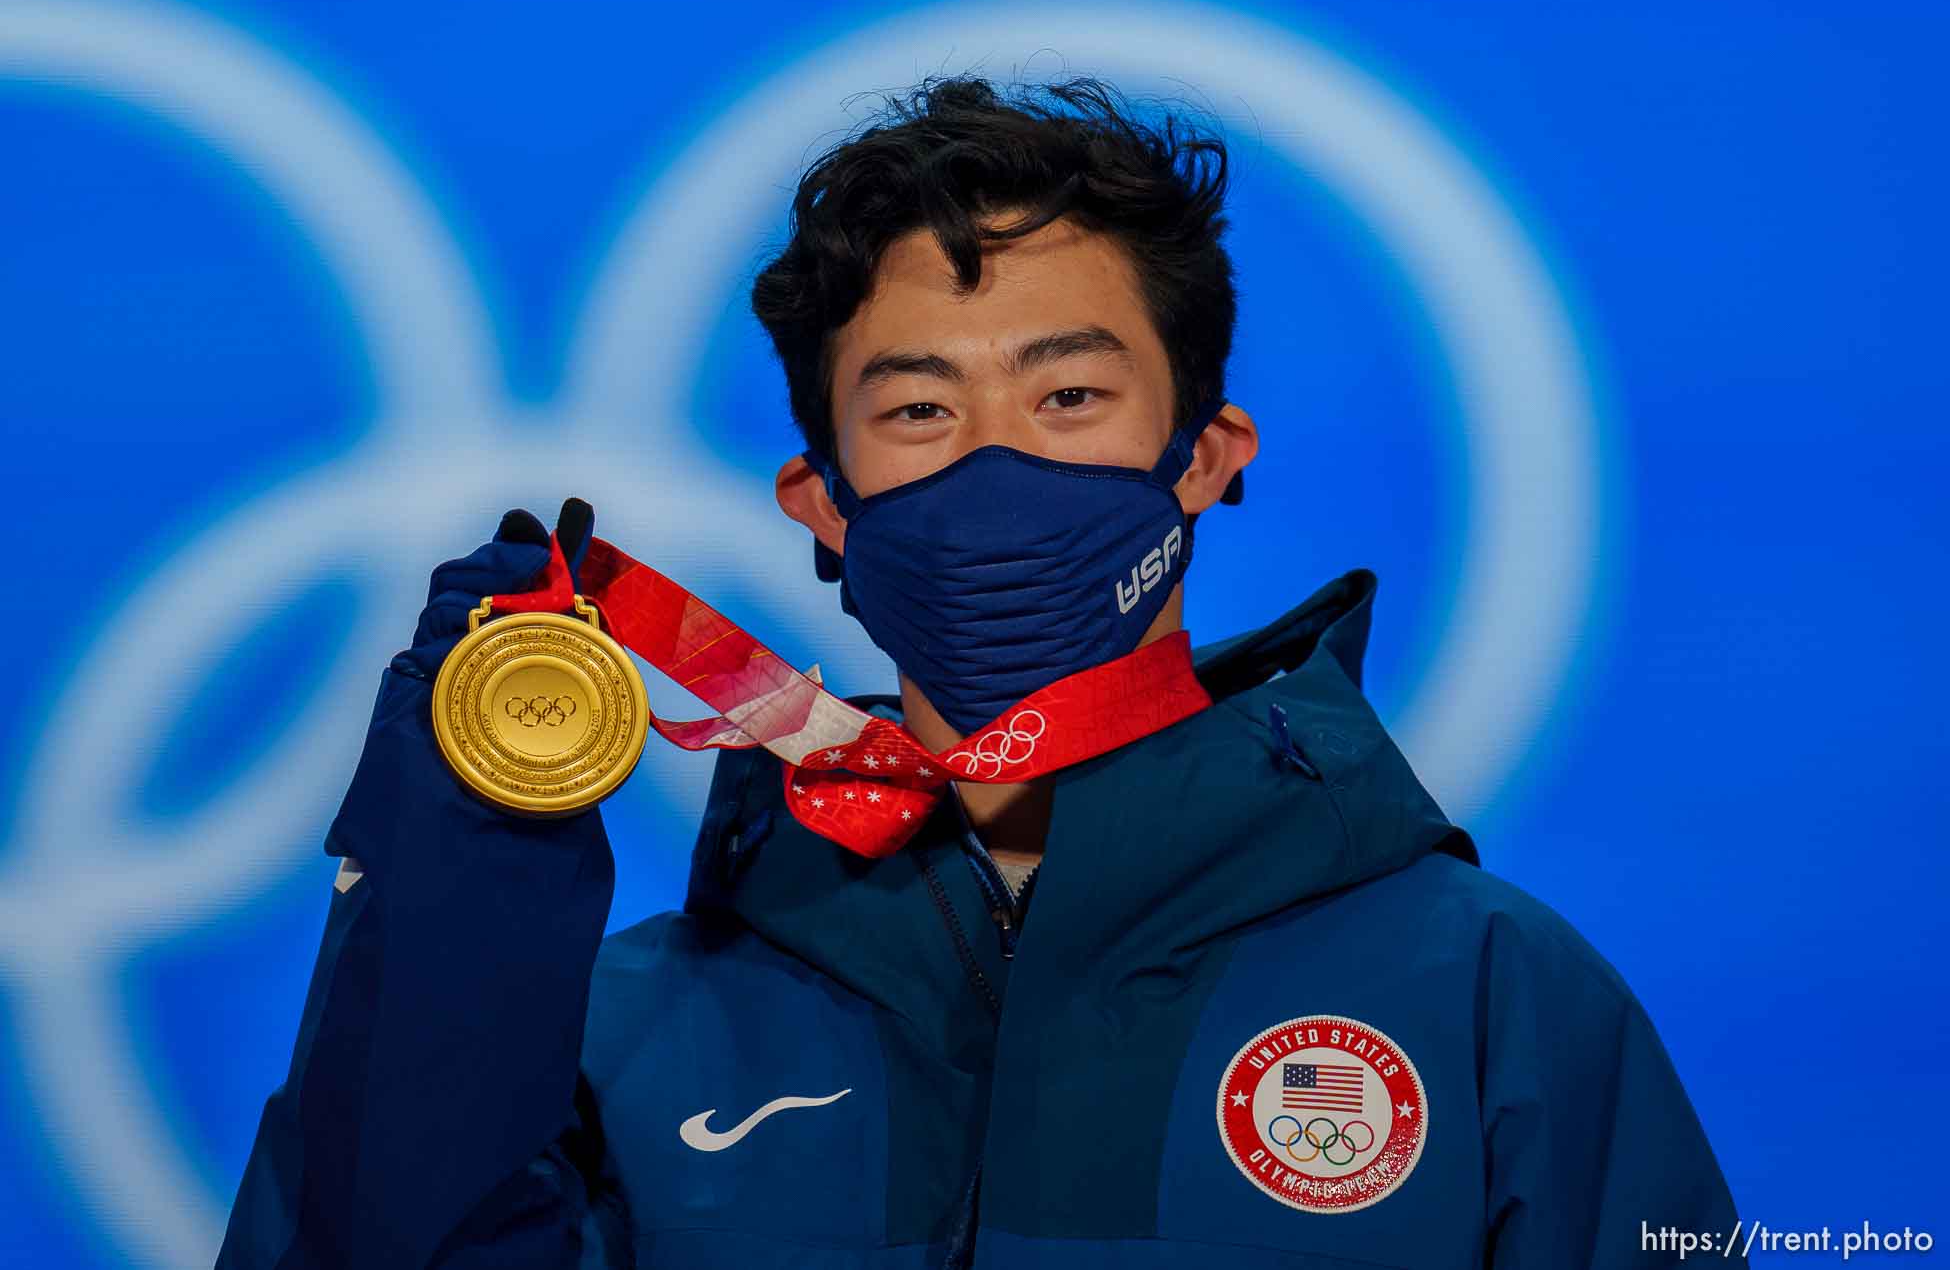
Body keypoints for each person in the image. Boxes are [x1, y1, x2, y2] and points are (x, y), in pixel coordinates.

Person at [218, 76, 1743, 1269]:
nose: (999, 467)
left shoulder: (1482, 993)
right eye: (922, 413)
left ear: (1203, 460)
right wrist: (456, 878)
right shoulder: (622, 1029)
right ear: (820, 503)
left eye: (1070, 393)